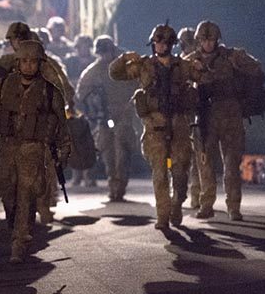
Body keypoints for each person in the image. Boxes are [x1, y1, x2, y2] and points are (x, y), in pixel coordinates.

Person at [0, 40, 70, 262]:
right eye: (25, 61)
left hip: (34, 147)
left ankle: (20, 240)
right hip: (8, 145)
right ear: (18, 63)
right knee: (5, 188)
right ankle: (15, 223)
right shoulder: (2, 86)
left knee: (26, 192)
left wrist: (64, 149)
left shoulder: (50, 92)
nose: (29, 66)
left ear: (40, 64)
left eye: (33, 62)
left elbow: (61, 123)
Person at [109, 24, 198, 229]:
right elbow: (115, 73)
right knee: (159, 174)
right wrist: (123, 59)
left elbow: (202, 77)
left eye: (165, 42)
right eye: (158, 42)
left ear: (172, 44)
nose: (161, 46)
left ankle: (177, 204)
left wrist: (200, 67)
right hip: (154, 125)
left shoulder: (182, 66)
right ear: (153, 43)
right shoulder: (144, 66)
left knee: (180, 173)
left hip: (179, 125)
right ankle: (163, 216)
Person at [186, 20, 265, 221]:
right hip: (205, 117)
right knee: (205, 166)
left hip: (230, 115)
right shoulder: (190, 61)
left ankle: (234, 207)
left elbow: (256, 68)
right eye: (204, 39)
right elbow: (176, 78)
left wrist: (238, 69)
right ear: (198, 40)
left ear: (217, 39)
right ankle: (206, 205)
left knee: (231, 165)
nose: (208, 43)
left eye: (211, 39)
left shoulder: (231, 56)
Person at [75, 36, 138, 201]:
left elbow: (139, 84)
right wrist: (92, 107)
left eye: (106, 53)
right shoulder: (93, 71)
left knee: (122, 151)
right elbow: (81, 93)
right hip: (105, 116)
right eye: (101, 54)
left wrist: (132, 105)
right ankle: (113, 184)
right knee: (108, 153)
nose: (104, 57)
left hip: (124, 112)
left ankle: (120, 185)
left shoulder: (126, 65)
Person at [64, 34, 96, 187]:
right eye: (80, 45)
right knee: (72, 140)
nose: (83, 49)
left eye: (85, 45)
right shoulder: (70, 61)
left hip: (91, 106)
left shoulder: (94, 62)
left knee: (89, 142)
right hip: (73, 104)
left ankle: (88, 175)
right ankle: (76, 175)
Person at [177, 27, 202, 209]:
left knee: (197, 158)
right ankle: (189, 195)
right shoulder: (179, 62)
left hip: (197, 113)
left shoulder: (190, 61)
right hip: (184, 114)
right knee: (184, 157)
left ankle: (195, 195)